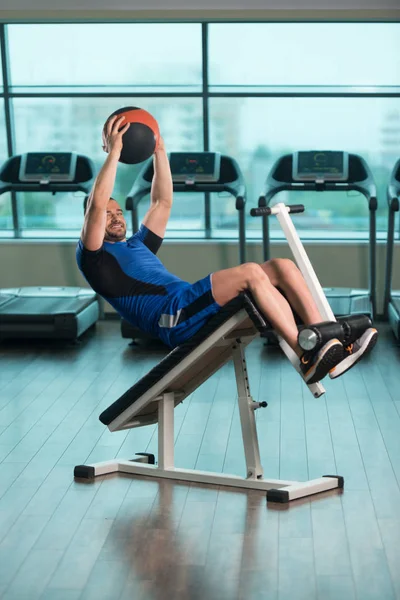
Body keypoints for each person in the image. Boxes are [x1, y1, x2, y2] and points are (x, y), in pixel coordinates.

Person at [76, 115, 378, 384]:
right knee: (250, 273)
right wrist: (115, 152)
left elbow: (162, 202)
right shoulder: (94, 258)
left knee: (282, 266)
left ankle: (327, 340)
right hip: (172, 317)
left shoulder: (138, 244)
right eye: (107, 214)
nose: (115, 217)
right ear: (92, 221)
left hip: (187, 302)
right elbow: (96, 204)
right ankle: (305, 354)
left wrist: (160, 150)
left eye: (118, 213)